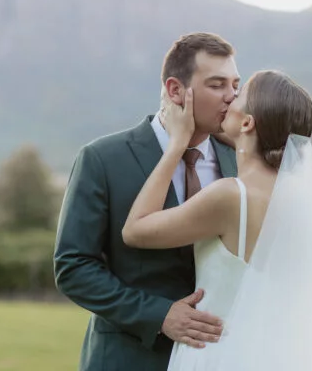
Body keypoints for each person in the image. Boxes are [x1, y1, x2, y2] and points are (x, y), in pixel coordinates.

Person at [123, 70, 312, 370]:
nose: (229, 97)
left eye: (239, 94)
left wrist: (178, 143)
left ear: (247, 122)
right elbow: (252, 141)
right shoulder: (298, 199)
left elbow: (136, 230)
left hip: (220, 354)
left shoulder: (230, 197)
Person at [54, 32, 242, 371]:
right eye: (217, 85)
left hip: (220, 357)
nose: (232, 97)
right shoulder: (102, 159)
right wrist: (160, 315)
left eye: (235, 85)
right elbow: (74, 267)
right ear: (174, 90)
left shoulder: (240, 161)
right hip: (128, 359)